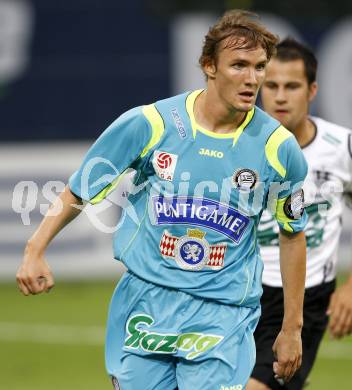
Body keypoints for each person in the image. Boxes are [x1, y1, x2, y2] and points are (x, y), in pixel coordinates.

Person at [16, 11, 308, 390]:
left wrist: (291, 328)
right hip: (144, 305)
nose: (252, 78)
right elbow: (80, 189)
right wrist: (35, 248)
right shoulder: (151, 124)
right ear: (209, 66)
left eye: (259, 67)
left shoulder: (279, 150)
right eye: (238, 65)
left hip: (222, 314)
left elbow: (292, 234)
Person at [248, 38, 352, 390]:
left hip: (305, 298)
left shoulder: (342, 148)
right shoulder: (236, 144)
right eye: (271, 86)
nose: (279, 96)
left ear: (312, 90)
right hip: (238, 291)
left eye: (291, 86)